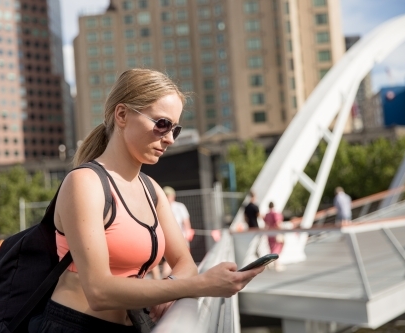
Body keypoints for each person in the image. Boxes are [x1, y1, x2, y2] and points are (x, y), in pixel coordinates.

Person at [29, 69, 266, 333]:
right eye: (162, 124)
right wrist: (199, 285)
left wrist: (169, 288)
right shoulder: (85, 183)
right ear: (122, 115)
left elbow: (184, 262)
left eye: (175, 129)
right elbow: (98, 291)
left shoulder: (152, 191)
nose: (170, 139)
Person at [160, 186, 194, 278]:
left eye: (168, 195)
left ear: (172, 196)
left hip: (181, 240)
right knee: (168, 263)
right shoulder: (161, 207)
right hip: (168, 240)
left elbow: (186, 222)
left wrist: (187, 236)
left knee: (184, 262)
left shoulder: (179, 206)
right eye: (165, 195)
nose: (167, 197)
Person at [263, 202, 285, 271]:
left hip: (269, 233)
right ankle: (275, 264)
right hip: (275, 233)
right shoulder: (275, 214)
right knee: (276, 248)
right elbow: (278, 223)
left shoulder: (267, 214)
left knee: (272, 248)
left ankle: (271, 263)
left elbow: (266, 223)